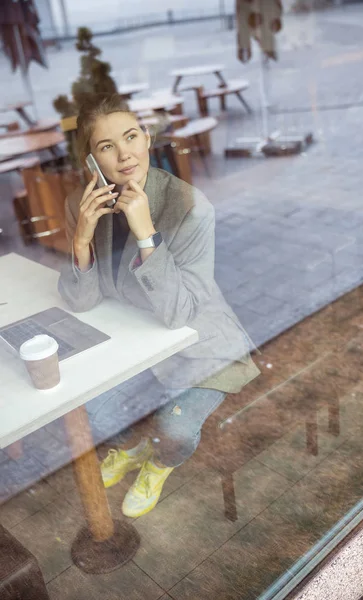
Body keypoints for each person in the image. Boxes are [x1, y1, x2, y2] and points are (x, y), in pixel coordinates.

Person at [58, 94, 260, 518]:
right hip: (137, 342)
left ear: (147, 138)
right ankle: (131, 449)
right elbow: (82, 301)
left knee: (174, 428)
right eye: (107, 146)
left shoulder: (190, 207)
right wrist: (81, 240)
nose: (125, 153)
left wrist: (147, 234)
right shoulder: (84, 204)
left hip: (200, 344)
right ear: (90, 161)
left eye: (131, 136)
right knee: (97, 411)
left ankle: (159, 462)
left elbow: (180, 313)